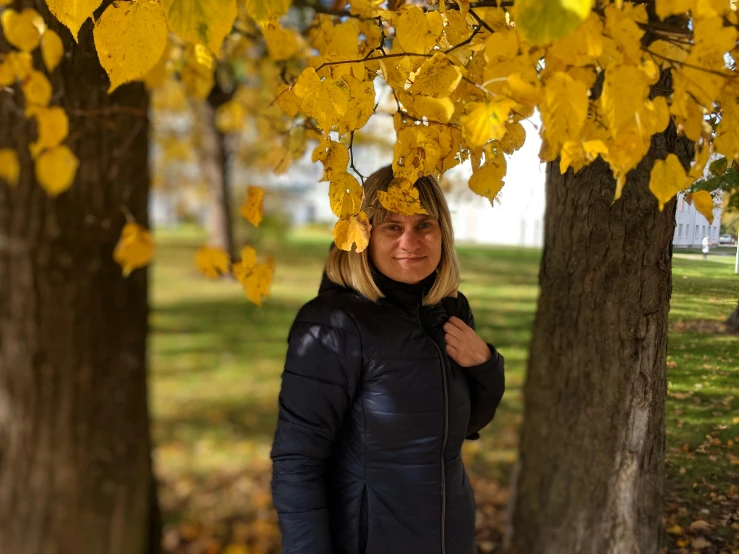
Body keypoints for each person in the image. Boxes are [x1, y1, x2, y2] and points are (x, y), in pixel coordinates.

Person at [270, 165, 506, 554]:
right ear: (363, 235)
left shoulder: (448, 309)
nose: (409, 241)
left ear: (442, 233)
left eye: (423, 225)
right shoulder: (335, 324)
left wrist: (484, 362)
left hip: (449, 535)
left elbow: (464, 422)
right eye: (392, 227)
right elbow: (298, 463)